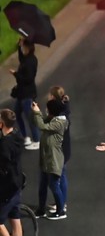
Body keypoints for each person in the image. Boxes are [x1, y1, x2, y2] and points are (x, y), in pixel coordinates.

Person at [31, 101, 68, 220]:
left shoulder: (60, 123)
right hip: (46, 159)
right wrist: (37, 112)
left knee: (54, 186)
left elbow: (41, 125)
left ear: (52, 111)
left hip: (54, 160)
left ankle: (60, 211)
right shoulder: (53, 119)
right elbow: (41, 121)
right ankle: (41, 210)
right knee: (42, 186)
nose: (46, 110)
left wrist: (37, 113)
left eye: (47, 109)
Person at [0, 109, 24, 236]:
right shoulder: (17, 137)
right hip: (17, 185)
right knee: (15, 221)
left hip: (5, 189)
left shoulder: (4, 145)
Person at [9, 38, 39, 150]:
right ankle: (26, 137)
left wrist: (16, 74)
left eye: (23, 47)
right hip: (22, 93)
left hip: (27, 94)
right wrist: (18, 47)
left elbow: (28, 79)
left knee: (29, 117)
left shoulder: (31, 61)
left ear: (28, 48)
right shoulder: (27, 59)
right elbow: (21, 59)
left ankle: (36, 140)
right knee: (17, 113)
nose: (23, 49)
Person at [46, 87, 71, 215]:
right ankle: (61, 203)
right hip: (65, 150)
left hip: (59, 152)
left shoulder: (58, 115)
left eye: (50, 95)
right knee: (62, 177)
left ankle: (61, 208)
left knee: (54, 182)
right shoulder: (64, 109)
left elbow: (46, 127)